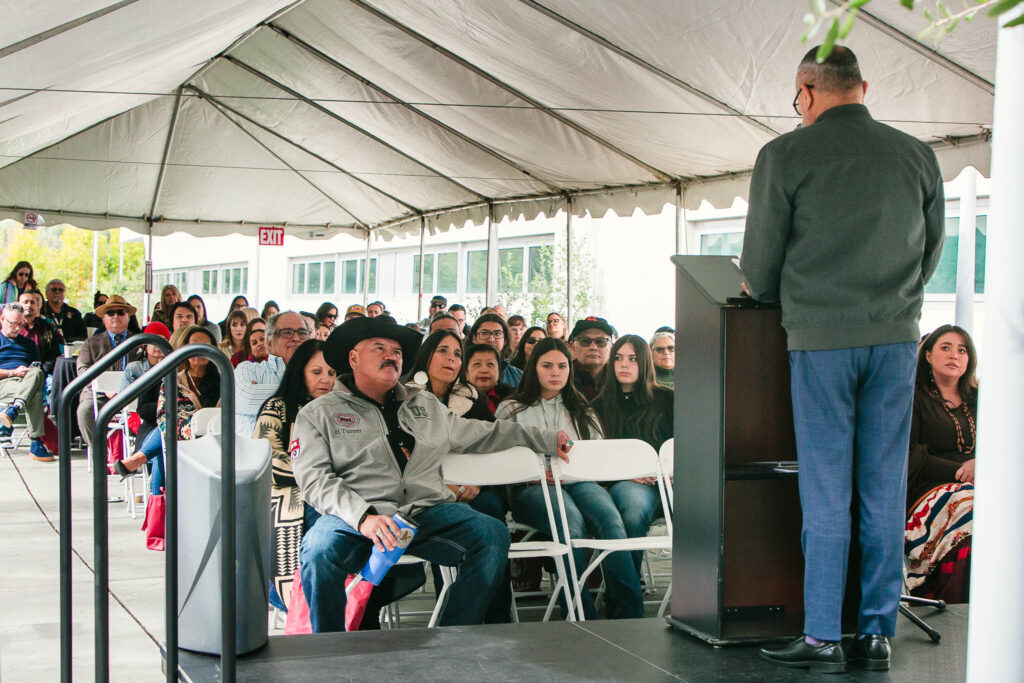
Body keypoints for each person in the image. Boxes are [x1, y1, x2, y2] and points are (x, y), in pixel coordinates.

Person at [742, 46, 945, 674]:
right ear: (864, 86)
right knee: (883, 490)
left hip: (821, 341)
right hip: (894, 341)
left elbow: (759, 269)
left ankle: (823, 632)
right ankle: (877, 632)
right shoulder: (918, 155)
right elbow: (931, 250)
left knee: (827, 490)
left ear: (806, 89)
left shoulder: (784, 155)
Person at [292, 315, 573, 633]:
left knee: (492, 534)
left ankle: (450, 636)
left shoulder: (422, 402)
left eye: (397, 351)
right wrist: (363, 517)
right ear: (353, 358)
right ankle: (327, 648)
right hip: (355, 517)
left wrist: (544, 438)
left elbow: (481, 432)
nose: (391, 355)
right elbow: (315, 481)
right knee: (318, 551)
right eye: (379, 347)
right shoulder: (318, 413)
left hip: (424, 514)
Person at [497, 336, 643, 620]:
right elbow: (504, 458)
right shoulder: (511, 408)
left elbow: (595, 454)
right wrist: (537, 473)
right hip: (531, 487)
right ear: (533, 369)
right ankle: (579, 614)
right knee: (571, 523)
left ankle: (628, 614)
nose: (555, 372)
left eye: (562, 366)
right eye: (547, 365)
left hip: (580, 482)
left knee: (612, 523)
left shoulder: (581, 408)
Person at [406, 330, 514, 622]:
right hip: (427, 491)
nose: (451, 359)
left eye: (456, 354)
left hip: (476, 486)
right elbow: (405, 457)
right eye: (442, 351)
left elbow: (493, 442)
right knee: (451, 522)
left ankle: (496, 619)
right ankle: (453, 610)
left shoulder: (469, 398)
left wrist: (475, 481)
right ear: (426, 356)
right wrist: (446, 485)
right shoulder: (404, 399)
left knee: (492, 515)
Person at [253, 339, 337, 609]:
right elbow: (266, 456)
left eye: (332, 373)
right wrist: (317, 475)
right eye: (317, 372)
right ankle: (317, 600)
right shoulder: (278, 406)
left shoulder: (345, 409)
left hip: (338, 492)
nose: (325, 380)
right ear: (300, 371)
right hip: (291, 495)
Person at [905, 325, 978, 603]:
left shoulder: (981, 399)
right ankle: (959, 600)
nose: (954, 355)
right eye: (945, 347)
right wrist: (961, 472)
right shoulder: (914, 397)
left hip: (980, 482)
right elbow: (910, 455)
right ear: (928, 356)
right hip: (930, 486)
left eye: (962, 350)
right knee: (971, 509)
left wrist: (981, 464)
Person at [592, 335, 673, 574]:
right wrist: (626, 475)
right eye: (618, 358)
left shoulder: (668, 399)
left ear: (645, 362)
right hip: (629, 484)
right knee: (633, 510)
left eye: (633, 359)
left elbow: (688, 445)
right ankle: (630, 583)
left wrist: (674, 473)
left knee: (708, 508)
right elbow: (595, 459)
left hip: (672, 482)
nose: (624, 364)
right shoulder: (597, 406)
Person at [76, 295, 139, 452]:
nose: (116, 316)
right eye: (111, 313)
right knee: (84, 411)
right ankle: (100, 454)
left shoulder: (138, 342)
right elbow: (83, 370)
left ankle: (136, 455)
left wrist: (126, 390)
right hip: (99, 396)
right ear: (104, 318)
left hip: (131, 395)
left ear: (128, 317)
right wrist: (105, 389)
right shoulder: (91, 343)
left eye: (120, 312)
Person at [234, 311, 309, 436]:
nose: (296, 338)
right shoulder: (247, 369)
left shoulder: (316, 373)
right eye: (287, 332)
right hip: (253, 452)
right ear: (269, 342)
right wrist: (303, 392)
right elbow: (247, 398)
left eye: (302, 333)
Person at [113, 322, 171, 480]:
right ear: (145, 344)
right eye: (153, 340)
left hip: (160, 420)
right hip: (139, 418)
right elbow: (124, 399)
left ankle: (138, 462)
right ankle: (158, 496)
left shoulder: (173, 369)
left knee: (165, 433)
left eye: (162, 340)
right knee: (164, 433)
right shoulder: (134, 368)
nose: (157, 345)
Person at [0, 303, 53, 461]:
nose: (16, 328)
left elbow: (36, 368)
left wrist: (27, 374)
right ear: (2, 319)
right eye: (12, 323)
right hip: (4, 382)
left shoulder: (29, 344)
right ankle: (36, 443)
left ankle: (14, 409)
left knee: (36, 371)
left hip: (25, 382)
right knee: (34, 394)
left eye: (20, 324)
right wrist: (13, 372)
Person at [467, 313, 522, 386]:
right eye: (484, 333)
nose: (491, 339)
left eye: (497, 334)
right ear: (474, 338)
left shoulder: (519, 377)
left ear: (505, 340)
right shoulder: (459, 371)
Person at [18, 290, 63, 376]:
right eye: (25, 302)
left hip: (42, 373)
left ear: (37, 306)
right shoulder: (11, 326)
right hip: (16, 371)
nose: (29, 305)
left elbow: (54, 355)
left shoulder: (47, 327)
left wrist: (41, 369)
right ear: (18, 305)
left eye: (32, 302)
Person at [568, 317, 614, 401]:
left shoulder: (618, 379)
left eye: (600, 341)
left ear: (611, 348)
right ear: (572, 348)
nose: (593, 347)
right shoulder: (563, 377)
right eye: (585, 341)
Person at [463, 344, 514, 413]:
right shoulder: (456, 399)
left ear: (498, 372)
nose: (484, 370)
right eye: (477, 364)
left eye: (490, 364)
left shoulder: (512, 398)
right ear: (466, 373)